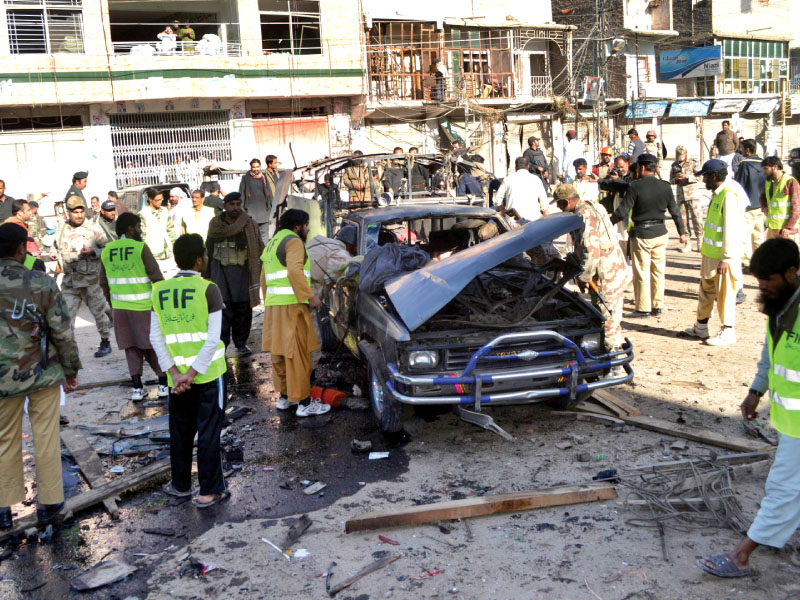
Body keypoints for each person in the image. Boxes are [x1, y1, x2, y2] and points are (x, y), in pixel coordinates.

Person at [697, 238, 800, 578]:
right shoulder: (783, 307)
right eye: (758, 280)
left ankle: (743, 554)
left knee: (783, 487)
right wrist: (756, 390)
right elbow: (772, 352)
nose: (762, 287)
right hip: (789, 421)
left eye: (768, 279)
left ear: (791, 273)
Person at [0, 223, 81, 530]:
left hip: (2, 379)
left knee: (4, 439)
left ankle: (3, 509)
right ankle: (50, 504)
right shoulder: (40, 282)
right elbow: (62, 330)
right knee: (45, 436)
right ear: (21, 248)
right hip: (42, 372)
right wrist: (70, 370)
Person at [150, 233, 230, 508]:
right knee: (209, 432)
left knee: (181, 432)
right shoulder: (209, 289)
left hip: (177, 380)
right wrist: (192, 374)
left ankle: (181, 485)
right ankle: (210, 491)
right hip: (208, 376)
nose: (207, 259)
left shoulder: (158, 291)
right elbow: (212, 338)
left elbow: (155, 337)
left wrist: (174, 374)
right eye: (205, 255)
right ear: (199, 259)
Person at [261, 209, 329, 417]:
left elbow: (263, 278)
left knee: (280, 353)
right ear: (298, 226)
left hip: (274, 307)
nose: (308, 229)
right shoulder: (294, 241)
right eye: (306, 225)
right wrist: (311, 297)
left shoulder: (273, 242)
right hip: (292, 306)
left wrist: (268, 302)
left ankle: (285, 398)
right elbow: (294, 271)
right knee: (298, 354)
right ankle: (304, 403)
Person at [555, 185, 631, 358]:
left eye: (560, 205)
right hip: (615, 269)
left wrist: (584, 277)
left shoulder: (584, 215)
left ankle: (611, 358)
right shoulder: (594, 206)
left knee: (607, 317)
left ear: (566, 201)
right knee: (612, 315)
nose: (560, 209)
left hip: (606, 274)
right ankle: (611, 352)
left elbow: (591, 250)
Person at [100, 212, 168, 401]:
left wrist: (113, 303)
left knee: (131, 347)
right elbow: (157, 277)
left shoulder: (107, 250)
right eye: (138, 226)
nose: (140, 230)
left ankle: (137, 388)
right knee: (152, 345)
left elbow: (103, 282)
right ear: (130, 228)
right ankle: (163, 384)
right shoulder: (140, 248)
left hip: (120, 309)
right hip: (144, 306)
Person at [611, 153, 687, 317]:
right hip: (660, 233)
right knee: (658, 271)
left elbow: (621, 211)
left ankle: (643, 308)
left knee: (642, 271)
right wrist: (682, 232)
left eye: (638, 167)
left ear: (643, 168)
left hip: (642, 234)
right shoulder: (665, 186)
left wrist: (606, 223)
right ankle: (657, 306)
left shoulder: (635, 187)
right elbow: (675, 211)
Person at [684, 159, 747, 346]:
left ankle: (728, 330)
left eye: (704, 176)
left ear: (713, 176)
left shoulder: (729, 195)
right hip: (711, 255)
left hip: (723, 258)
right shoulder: (717, 194)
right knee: (706, 291)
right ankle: (701, 326)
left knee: (725, 293)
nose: (703, 181)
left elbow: (731, 229)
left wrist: (727, 258)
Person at [52, 196, 113, 357]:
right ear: (68, 212)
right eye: (75, 212)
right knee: (66, 317)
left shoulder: (93, 228)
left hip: (91, 281)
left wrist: (94, 252)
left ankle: (105, 341)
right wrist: (54, 254)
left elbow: (107, 248)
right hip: (70, 283)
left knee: (99, 313)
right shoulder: (62, 228)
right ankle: (68, 349)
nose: (79, 215)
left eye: (81, 211)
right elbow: (55, 246)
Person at [206, 192, 263, 355]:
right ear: (224, 206)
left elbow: (258, 247)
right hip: (220, 272)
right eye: (231, 204)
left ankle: (241, 343)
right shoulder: (216, 224)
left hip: (242, 272)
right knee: (222, 308)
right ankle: (222, 344)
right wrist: (207, 273)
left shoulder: (248, 224)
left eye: (238, 204)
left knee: (243, 309)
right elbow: (209, 248)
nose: (235, 208)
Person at [734, 139, 766, 269]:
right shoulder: (763, 164)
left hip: (747, 207)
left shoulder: (744, 165)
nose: (741, 151)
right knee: (758, 236)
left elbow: (739, 186)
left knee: (745, 237)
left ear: (747, 150)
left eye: (742, 148)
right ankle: (761, 261)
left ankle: (747, 263)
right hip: (761, 206)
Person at [494, 157, 549, 223]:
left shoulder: (508, 179)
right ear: (528, 167)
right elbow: (544, 203)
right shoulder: (536, 179)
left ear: (515, 168)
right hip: (534, 221)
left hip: (513, 222)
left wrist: (502, 210)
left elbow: (498, 199)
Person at [670, 145, 703, 253]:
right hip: (681, 196)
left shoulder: (693, 162)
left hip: (693, 195)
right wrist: (676, 179)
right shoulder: (674, 165)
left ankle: (700, 242)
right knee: (683, 221)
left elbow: (700, 176)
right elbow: (671, 180)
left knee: (697, 220)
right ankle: (688, 243)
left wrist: (687, 177)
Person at [761, 156, 800, 244]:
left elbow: (797, 208)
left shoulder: (790, 182)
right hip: (772, 229)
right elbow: (762, 196)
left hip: (787, 231)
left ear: (775, 167)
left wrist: (788, 227)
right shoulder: (768, 182)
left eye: (766, 169)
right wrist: (764, 207)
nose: (764, 172)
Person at [139, 187, 176, 267]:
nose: (160, 202)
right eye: (157, 200)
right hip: (154, 255)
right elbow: (142, 236)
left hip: (168, 253)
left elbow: (170, 230)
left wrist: (173, 247)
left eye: (161, 199)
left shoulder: (165, 211)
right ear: (150, 199)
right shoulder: (143, 214)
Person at [239, 158, 273, 244]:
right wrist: (243, 210)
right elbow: (242, 194)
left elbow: (269, 194)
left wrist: (271, 208)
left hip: (264, 213)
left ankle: (263, 256)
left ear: (260, 167)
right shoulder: (245, 178)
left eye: (257, 167)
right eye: (253, 167)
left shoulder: (264, 177)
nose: (256, 169)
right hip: (251, 214)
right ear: (251, 167)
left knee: (264, 237)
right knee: (252, 238)